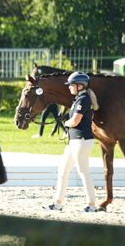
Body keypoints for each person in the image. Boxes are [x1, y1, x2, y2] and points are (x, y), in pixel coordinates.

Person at [45, 71, 99, 212]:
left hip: (81, 140)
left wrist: (65, 122)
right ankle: (58, 203)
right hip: (74, 141)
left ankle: (92, 205)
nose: (69, 87)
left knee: (83, 172)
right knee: (63, 170)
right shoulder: (78, 98)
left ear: (80, 86)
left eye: (71, 85)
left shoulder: (84, 99)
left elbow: (75, 121)